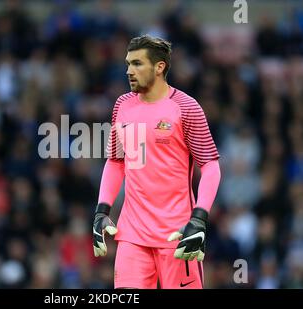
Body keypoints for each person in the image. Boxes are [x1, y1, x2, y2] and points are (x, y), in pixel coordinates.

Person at [93, 35, 221, 289]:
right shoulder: (123, 105)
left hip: (177, 234)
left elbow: (210, 166)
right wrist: (101, 210)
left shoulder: (186, 107)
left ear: (159, 67)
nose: (129, 71)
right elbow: (116, 162)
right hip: (132, 235)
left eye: (138, 64)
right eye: (128, 64)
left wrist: (199, 219)